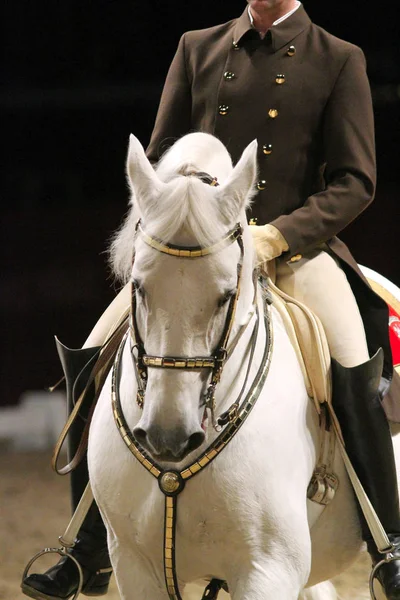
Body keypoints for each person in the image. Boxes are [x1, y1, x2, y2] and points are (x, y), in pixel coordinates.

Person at [22, 1, 400, 599]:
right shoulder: (198, 47)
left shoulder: (338, 58)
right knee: (94, 355)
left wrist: (278, 234)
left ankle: (388, 544)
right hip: (199, 255)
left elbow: (356, 181)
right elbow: (159, 157)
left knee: (352, 364)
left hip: (293, 250)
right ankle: (85, 544)